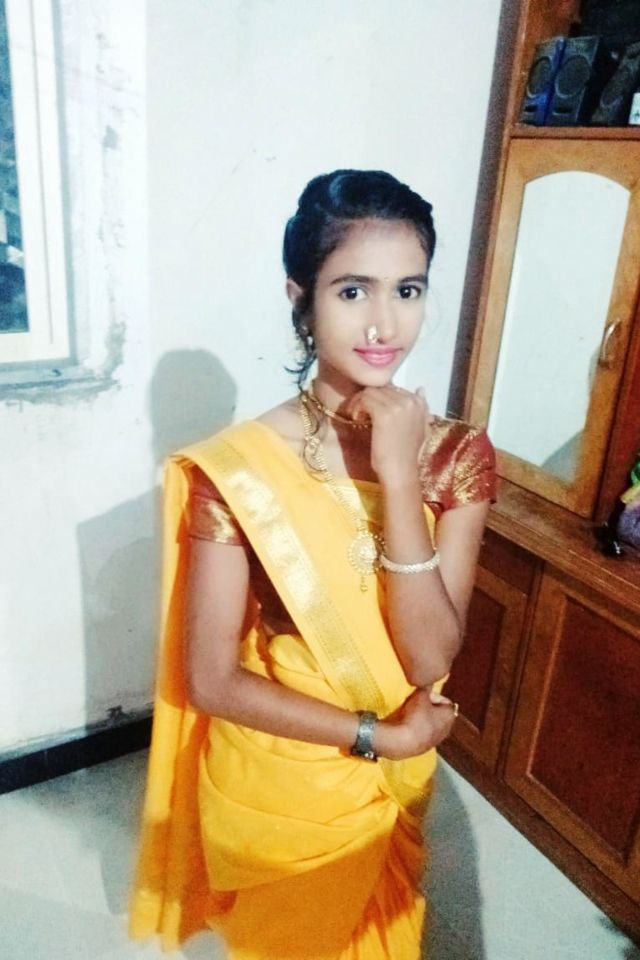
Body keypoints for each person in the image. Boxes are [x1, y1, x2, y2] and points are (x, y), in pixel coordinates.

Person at [129, 169, 496, 960]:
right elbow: (211, 679)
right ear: (301, 300)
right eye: (352, 291)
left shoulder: (456, 455)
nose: (385, 323)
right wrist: (375, 739)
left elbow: (429, 658)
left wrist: (399, 476)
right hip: (290, 779)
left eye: (408, 289)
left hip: (396, 774)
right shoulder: (238, 470)